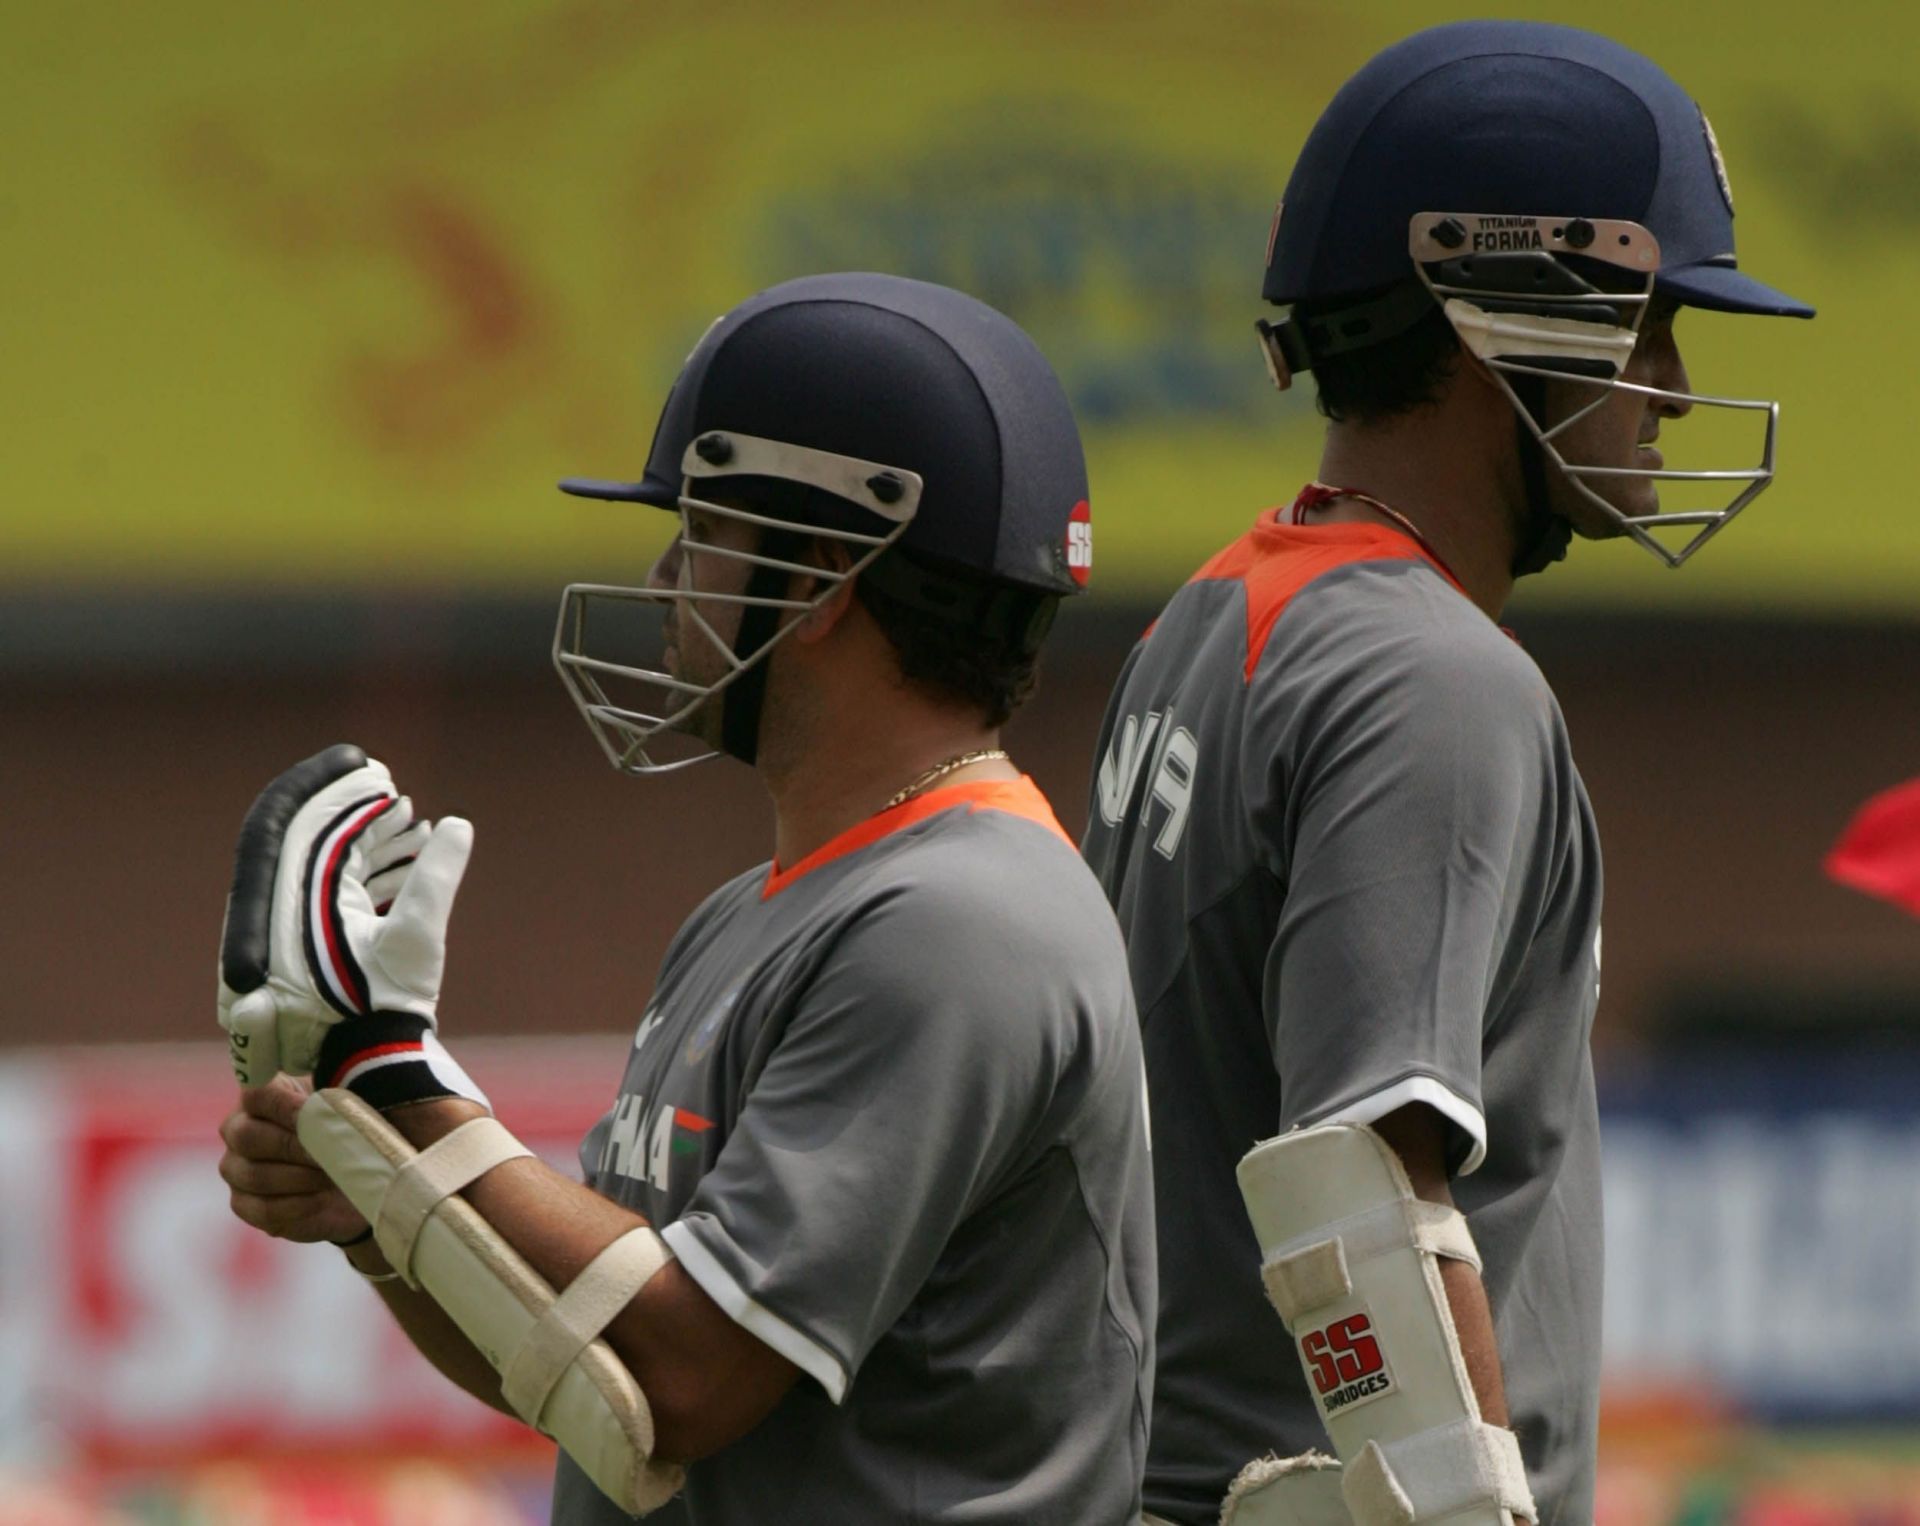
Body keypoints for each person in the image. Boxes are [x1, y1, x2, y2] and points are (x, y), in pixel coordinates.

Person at [215, 272, 1154, 1524]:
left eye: (702, 530)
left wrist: (400, 1084)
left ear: (822, 579)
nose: (666, 577)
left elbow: (695, 1369)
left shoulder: (959, 923)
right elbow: (597, 1376)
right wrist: (384, 1209)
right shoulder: (760, 910)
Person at [1080, 22, 1811, 1526]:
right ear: (1500, 321)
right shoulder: (1436, 678)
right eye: (1648, 321)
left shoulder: (1213, 611)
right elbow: (1367, 1205)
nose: (1672, 387)